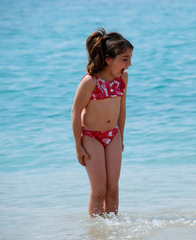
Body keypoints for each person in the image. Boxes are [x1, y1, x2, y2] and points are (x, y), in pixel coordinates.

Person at [71, 28, 133, 217]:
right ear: (108, 59)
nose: (129, 64)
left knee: (113, 189)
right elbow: (76, 112)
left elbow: (122, 110)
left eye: (130, 58)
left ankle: (112, 230)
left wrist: (120, 137)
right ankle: (97, 232)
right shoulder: (90, 81)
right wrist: (78, 146)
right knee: (99, 190)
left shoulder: (123, 78)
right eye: (125, 59)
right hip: (91, 137)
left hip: (113, 135)